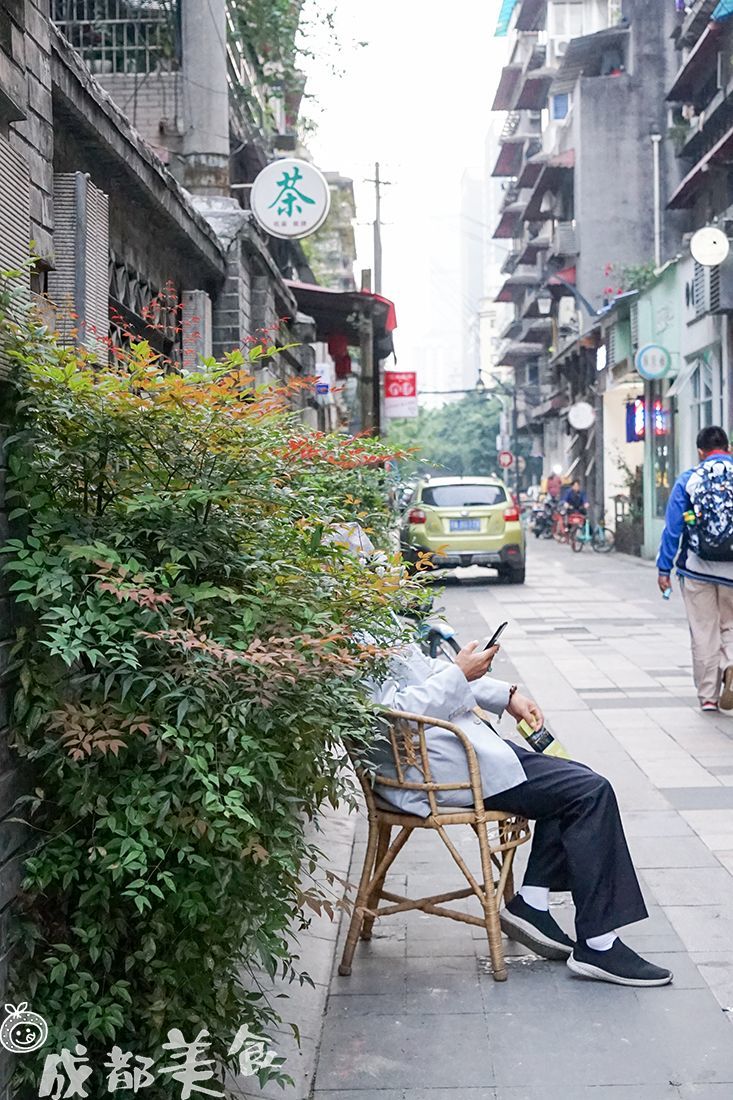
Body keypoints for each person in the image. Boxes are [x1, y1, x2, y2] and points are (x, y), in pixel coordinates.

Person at [369, 637, 673, 988]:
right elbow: (386, 715)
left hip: (455, 752)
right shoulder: (348, 631)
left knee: (574, 780)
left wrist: (506, 695)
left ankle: (532, 902)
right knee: (589, 791)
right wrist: (459, 674)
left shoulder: (371, 618)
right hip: (437, 771)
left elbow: (426, 671)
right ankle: (598, 943)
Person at [657, 425, 733, 713]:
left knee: (703, 631)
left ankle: (709, 696)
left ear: (700, 452)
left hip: (697, 570)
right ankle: (730, 665)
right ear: (727, 448)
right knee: (731, 626)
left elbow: (673, 529)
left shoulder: (690, 479)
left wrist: (664, 569)